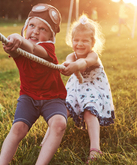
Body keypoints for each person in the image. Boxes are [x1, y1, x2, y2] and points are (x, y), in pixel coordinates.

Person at [0, 3, 68, 165]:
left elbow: (33, 49)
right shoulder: (20, 46)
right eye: (32, 25)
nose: (35, 31)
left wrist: (19, 38)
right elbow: (13, 50)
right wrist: (11, 45)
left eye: (43, 29)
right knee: (18, 128)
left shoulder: (47, 48)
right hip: (28, 97)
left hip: (53, 98)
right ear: (25, 27)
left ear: (51, 37)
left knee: (59, 124)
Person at [41, 14, 115, 163]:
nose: (79, 44)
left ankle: (95, 148)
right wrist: (68, 66)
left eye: (85, 40)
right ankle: (45, 141)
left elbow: (85, 62)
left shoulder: (93, 55)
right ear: (71, 41)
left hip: (94, 89)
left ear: (92, 43)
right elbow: (69, 61)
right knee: (62, 110)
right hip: (76, 89)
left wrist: (76, 65)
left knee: (89, 112)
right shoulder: (71, 56)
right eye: (76, 40)